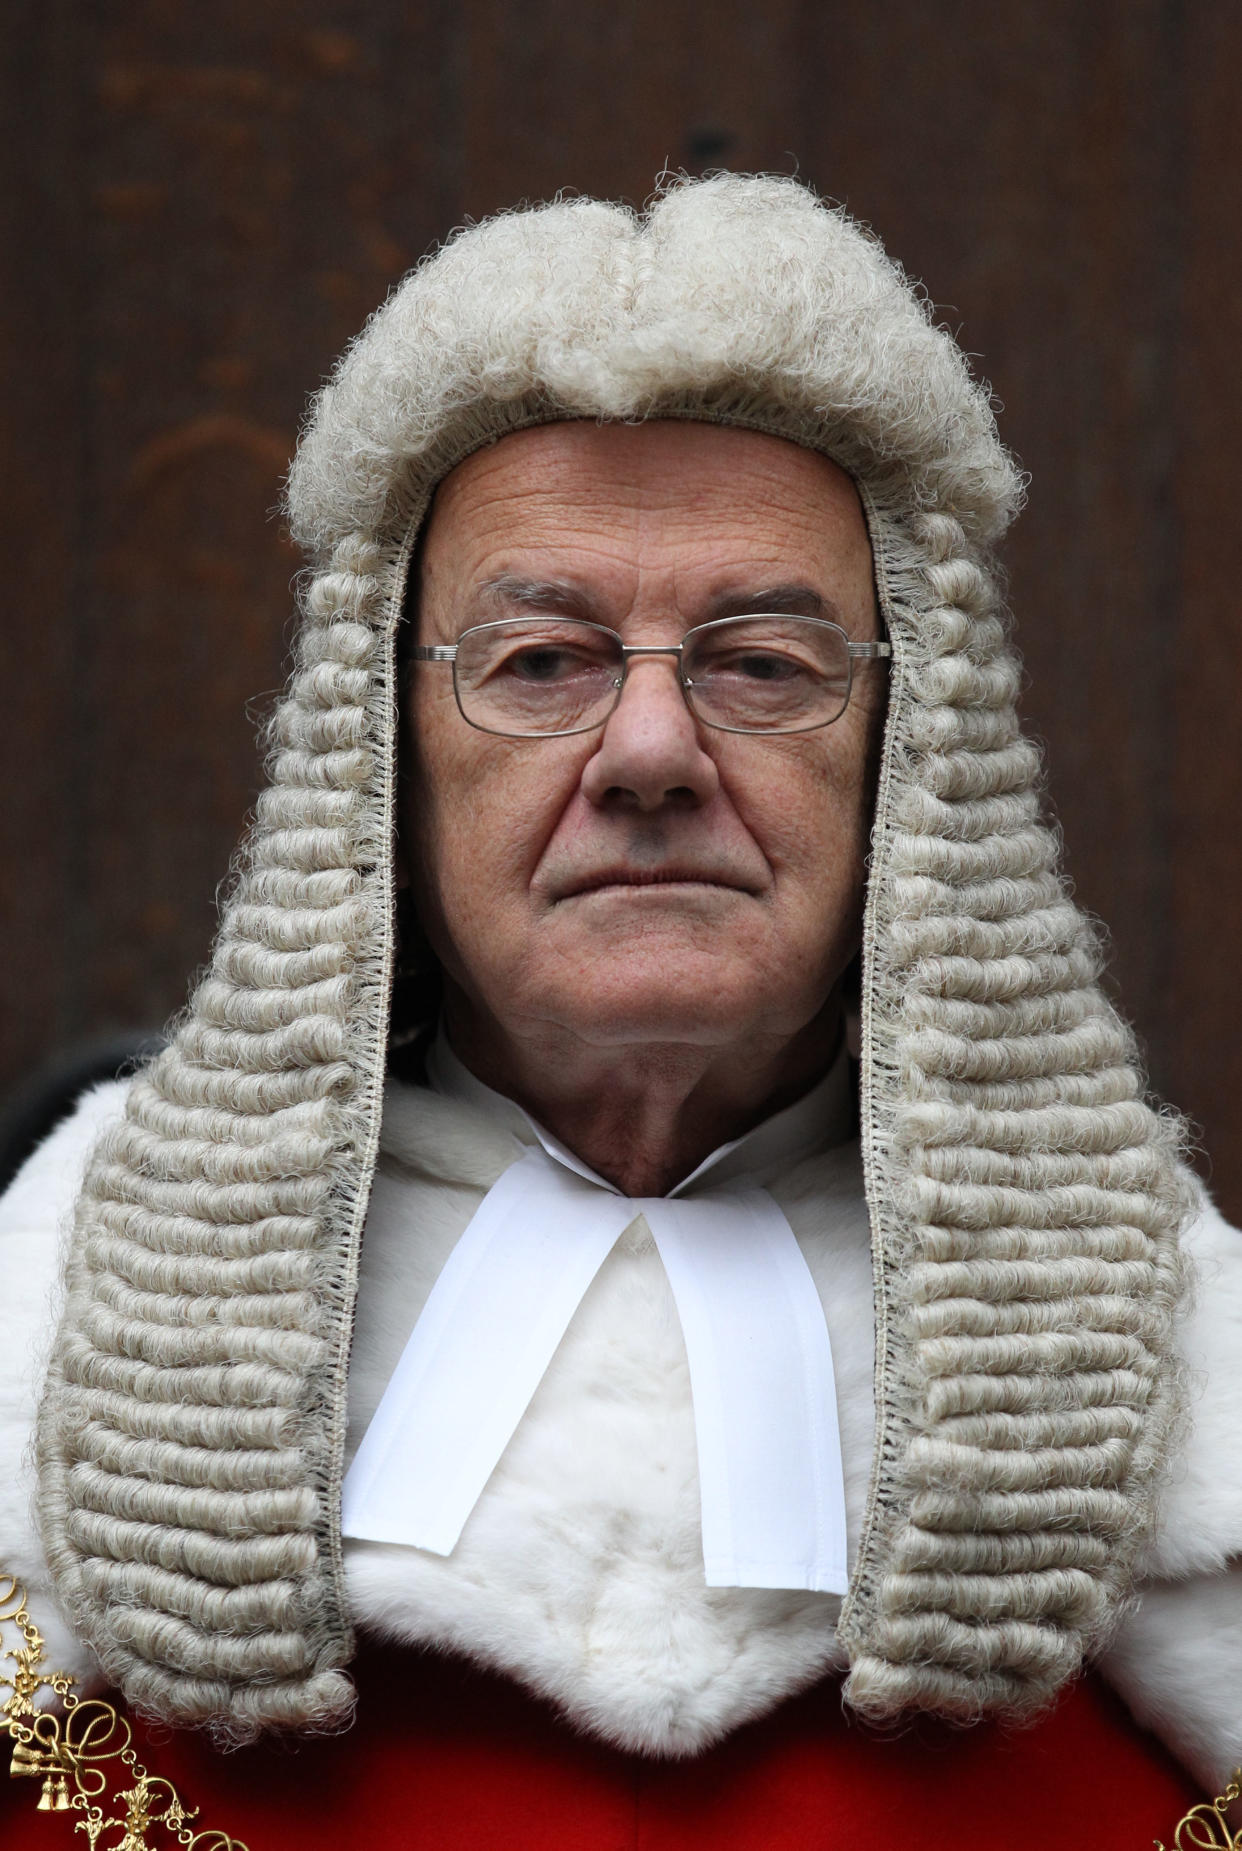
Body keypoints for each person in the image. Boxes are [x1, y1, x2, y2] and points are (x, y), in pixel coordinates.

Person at [2, 172, 1240, 1850]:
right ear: (380, 760)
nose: (650, 755)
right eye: (539, 663)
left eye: (761, 662)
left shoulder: (1189, 1364)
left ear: (912, 760)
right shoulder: (53, 1321)